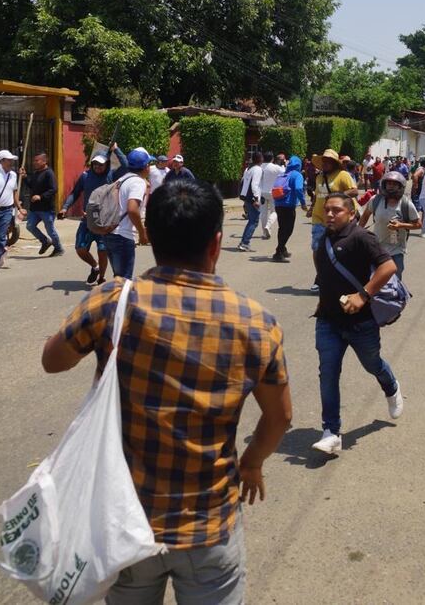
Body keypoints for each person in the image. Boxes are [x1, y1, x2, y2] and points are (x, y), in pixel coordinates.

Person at [41, 179, 292, 604]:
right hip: (209, 526)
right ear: (216, 244)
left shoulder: (114, 302)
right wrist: (250, 464)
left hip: (126, 523)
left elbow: (53, 360)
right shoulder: (256, 321)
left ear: (149, 236)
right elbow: (280, 416)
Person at [311, 193, 403, 455]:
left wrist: (363, 295)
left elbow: (388, 268)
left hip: (360, 323)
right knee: (328, 374)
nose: (329, 214)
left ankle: (391, 386)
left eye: (336, 210)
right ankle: (331, 431)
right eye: (327, 209)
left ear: (351, 213)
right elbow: (323, 273)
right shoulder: (324, 239)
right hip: (328, 320)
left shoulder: (362, 237)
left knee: (372, 364)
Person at [307, 149, 359, 291]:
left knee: (338, 249)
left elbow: (354, 191)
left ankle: (340, 276)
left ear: (335, 163)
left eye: (328, 161)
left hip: (337, 220)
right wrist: (312, 208)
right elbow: (317, 195)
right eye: (323, 161)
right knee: (317, 249)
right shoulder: (319, 177)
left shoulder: (342, 175)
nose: (325, 163)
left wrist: (338, 196)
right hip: (318, 217)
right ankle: (320, 277)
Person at [58, 153, 113, 284]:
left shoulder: (112, 175)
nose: (98, 167)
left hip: (104, 221)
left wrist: (115, 150)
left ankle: (101, 277)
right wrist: (65, 207)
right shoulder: (85, 176)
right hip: (87, 220)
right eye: (95, 164)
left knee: (102, 250)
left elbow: (126, 166)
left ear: (107, 165)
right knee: (80, 248)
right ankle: (95, 267)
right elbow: (75, 193)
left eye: (101, 164)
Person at [360, 171, 421, 278]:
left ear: (400, 186)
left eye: (394, 184)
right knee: (375, 279)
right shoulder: (376, 200)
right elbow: (365, 217)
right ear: (384, 185)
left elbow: (418, 224)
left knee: (395, 280)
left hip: (397, 249)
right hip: (377, 248)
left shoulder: (406, 204)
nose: (391, 187)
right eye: (388, 184)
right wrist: (358, 233)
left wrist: (401, 225)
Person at [104, 149, 152, 280]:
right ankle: (119, 301)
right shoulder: (138, 182)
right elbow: (132, 209)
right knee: (124, 281)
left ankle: (117, 299)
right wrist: (142, 233)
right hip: (122, 237)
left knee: (118, 279)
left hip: (110, 233)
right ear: (145, 166)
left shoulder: (122, 179)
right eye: (149, 164)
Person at [22, 153, 64, 257]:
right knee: (30, 226)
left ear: (44, 161)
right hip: (35, 208)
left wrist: (41, 196)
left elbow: (53, 189)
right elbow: (31, 185)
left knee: (50, 229)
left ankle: (58, 248)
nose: (34, 163)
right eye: (34, 160)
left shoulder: (49, 173)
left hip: (46, 208)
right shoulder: (36, 173)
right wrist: (25, 177)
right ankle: (45, 241)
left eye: (37, 160)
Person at [273, 155, 307, 261]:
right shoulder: (297, 175)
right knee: (288, 229)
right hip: (289, 205)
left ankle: (282, 249)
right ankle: (278, 252)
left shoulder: (284, 173)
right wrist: (303, 202)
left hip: (278, 204)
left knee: (282, 228)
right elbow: (298, 188)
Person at [238, 152, 265, 252]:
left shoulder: (248, 168)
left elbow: (242, 181)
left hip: (246, 196)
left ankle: (243, 242)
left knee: (251, 220)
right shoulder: (258, 169)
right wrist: (256, 199)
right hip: (252, 198)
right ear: (260, 159)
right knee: (254, 221)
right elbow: (255, 185)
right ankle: (245, 243)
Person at [257, 152, 284, 240]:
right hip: (273, 192)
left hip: (262, 192)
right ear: (272, 158)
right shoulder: (275, 167)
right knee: (274, 211)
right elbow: (284, 173)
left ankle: (265, 233)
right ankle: (268, 226)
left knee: (263, 212)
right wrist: (283, 165)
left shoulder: (260, 167)